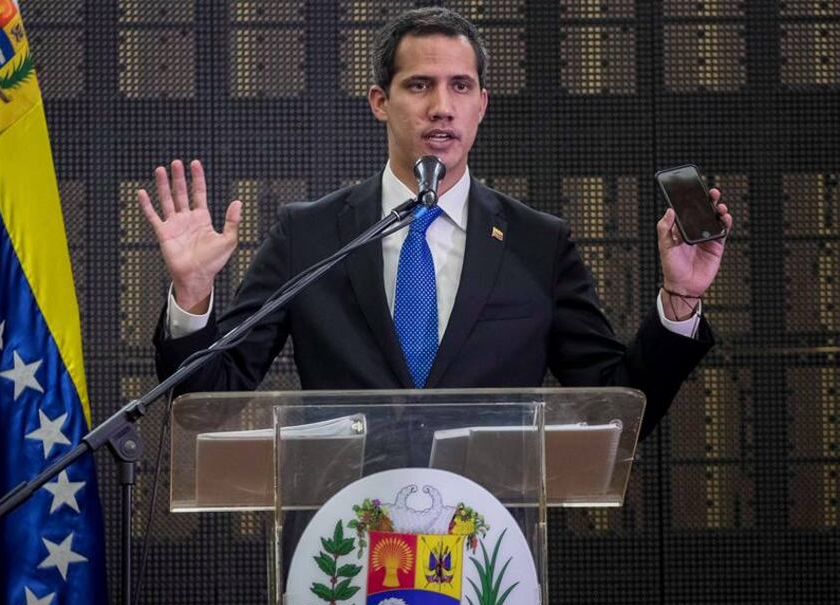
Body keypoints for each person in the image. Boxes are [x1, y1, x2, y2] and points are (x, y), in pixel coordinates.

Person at [137, 6, 733, 439]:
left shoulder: (537, 243)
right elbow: (209, 404)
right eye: (418, 85)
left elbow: (616, 409)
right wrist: (192, 297)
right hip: (341, 556)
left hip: (488, 560)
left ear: (481, 104)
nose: (440, 105)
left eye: (460, 86)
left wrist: (679, 302)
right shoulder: (309, 234)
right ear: (380, 102)